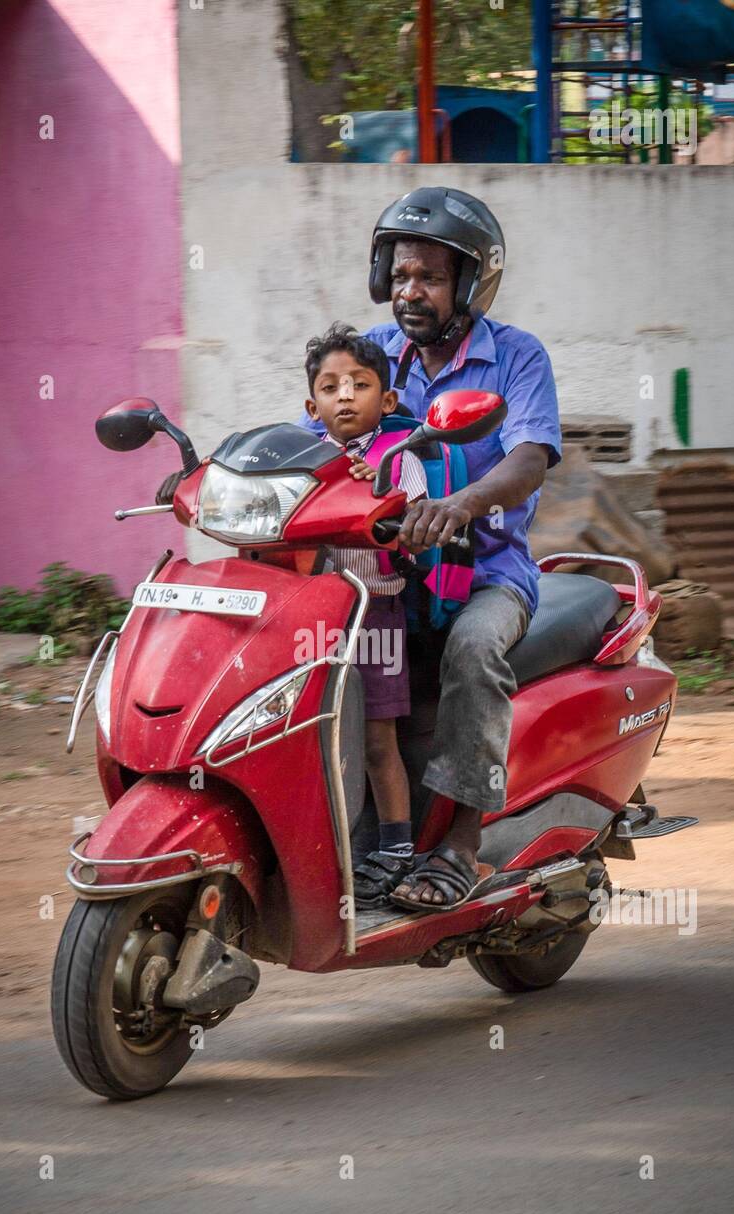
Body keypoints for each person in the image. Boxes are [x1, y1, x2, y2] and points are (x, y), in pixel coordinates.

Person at [299, 186, 562, 911]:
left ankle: (460, 847)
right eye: (402, 274)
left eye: (432, 278)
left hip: (486, 572)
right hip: (382, 575)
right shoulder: (375, 357)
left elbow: (530, 458)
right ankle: (354, 833)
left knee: (473, 650)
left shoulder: (515, 357)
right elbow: (312, 439)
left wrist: (460, 505)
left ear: (469, 285)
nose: (411, 291)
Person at [304, 322, 428, 905]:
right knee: (320, 736)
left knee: (378, 737)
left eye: (360, 384)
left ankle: (398, 848)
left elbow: (416, 525)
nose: (345, 396)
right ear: (312, 405)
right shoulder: (304, 463)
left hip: (375, 613)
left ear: (388, 399)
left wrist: (374, 489)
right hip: (315, 620)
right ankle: (328, 845)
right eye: (331, 387)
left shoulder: (398, 459)